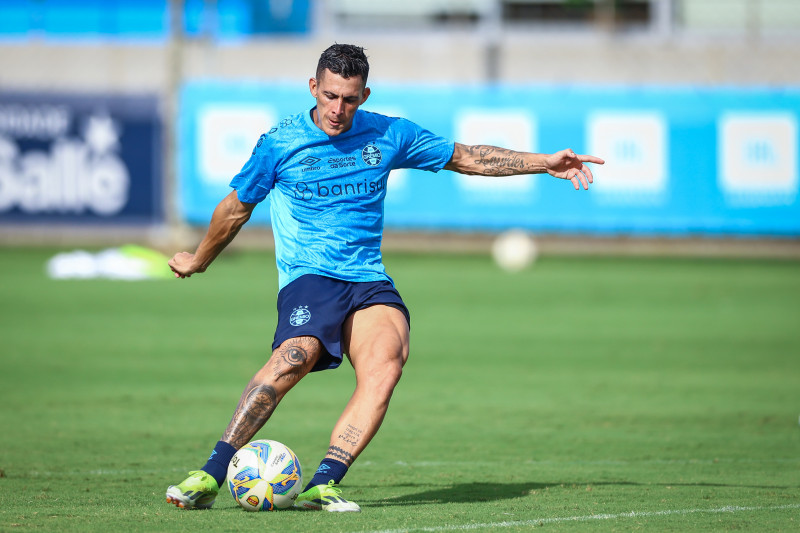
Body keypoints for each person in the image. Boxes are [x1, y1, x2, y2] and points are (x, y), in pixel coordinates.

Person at [165, 43, 603, 513]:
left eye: (350, 99)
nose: (338, 109)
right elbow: (235, 209)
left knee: (387, 364)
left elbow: (468, 156)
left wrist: (545, 162)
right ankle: (210, 473)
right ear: (314, 88)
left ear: (365, 94)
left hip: (368, 279)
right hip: (311, 276)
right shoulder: (281, 142)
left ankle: (323, 484)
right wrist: (200, 259)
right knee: (296, 355)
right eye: (330, 96)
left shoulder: (390, 134)